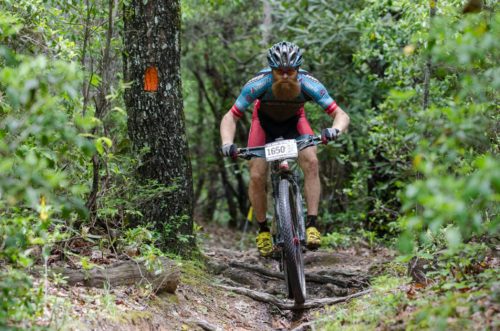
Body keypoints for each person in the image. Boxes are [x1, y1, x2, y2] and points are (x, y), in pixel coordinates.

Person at [220, 41, 350, 257]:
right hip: (263, 124)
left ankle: (312, 225)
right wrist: (227, 143)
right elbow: (231, 116)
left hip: (295, 123)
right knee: (256, 174)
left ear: (298, 70)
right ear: (271, 71)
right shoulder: (258, 84)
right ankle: (262, 230)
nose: (286, 76)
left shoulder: (309, 84)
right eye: (280, 72)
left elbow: (341, 115)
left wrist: (335, 130)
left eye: (290, 71)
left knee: (311, 161)